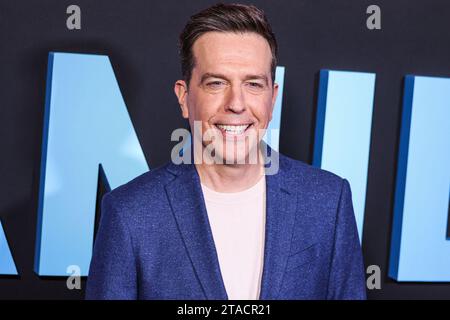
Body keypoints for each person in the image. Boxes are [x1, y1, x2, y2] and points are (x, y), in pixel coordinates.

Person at [86, 3, 366, 300]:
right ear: (184, 97)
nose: (236, 103)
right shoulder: (130, 213)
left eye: (253, 84)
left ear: (273, 98)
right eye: (217, 83)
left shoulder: (328, 201)